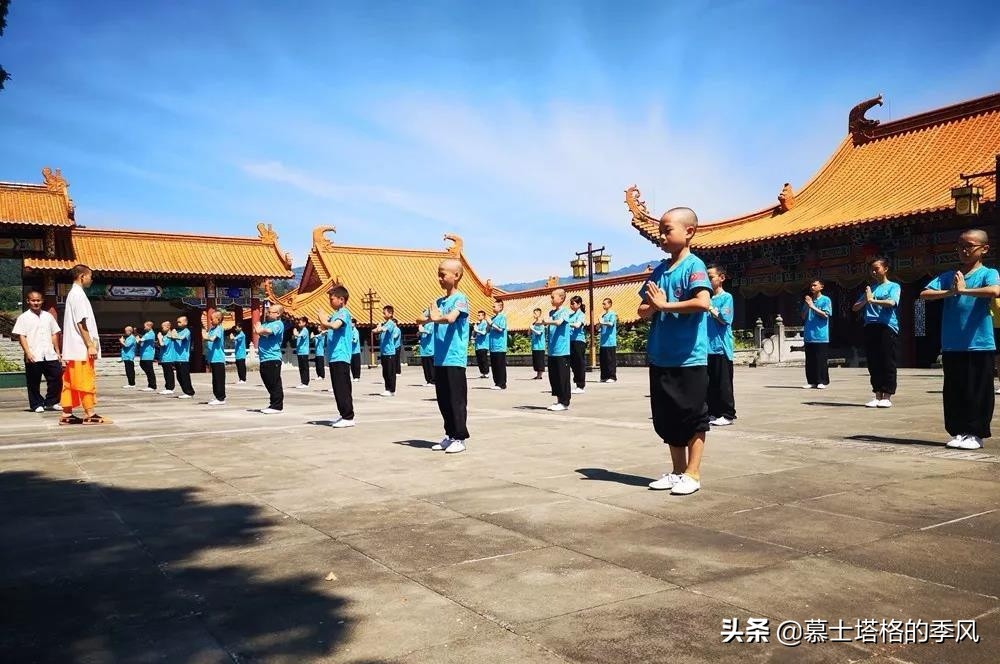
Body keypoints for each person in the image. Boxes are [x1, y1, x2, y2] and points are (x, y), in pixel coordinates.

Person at [640, 208, 712, 496]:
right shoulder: (660, 270)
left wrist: (665, 305)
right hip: (661, 354)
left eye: (667, 230)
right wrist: (652, 306)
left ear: (689, 232)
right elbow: (643, 309)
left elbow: (703, 302)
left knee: (692, 415)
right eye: (660, 231)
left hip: (688, 356)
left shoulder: (694, 265)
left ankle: (693, 473)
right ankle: (677, 471)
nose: (661, 236)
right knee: (667, 416)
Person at [920, 229, 1000, 450]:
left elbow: (994, 291)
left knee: (978, 390)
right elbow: (924, 294)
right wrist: (951, 292)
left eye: (969, 246)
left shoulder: (988, 273)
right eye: (960, 246)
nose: (964, 251)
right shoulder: (949, 276)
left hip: (979, 343)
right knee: (954, 390)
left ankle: (976, 433)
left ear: (984, 249)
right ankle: (959, 431)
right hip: (952, 343)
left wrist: (964, 291)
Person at [422, 258, 470, 454]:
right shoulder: (439, 301)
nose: (439, 278)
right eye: (438, 275)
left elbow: (451, 318)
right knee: (443, 399)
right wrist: (429, 315)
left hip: (454, 357)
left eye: (443, 274)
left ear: (456, 276)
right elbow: (421, 318)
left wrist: (435, 317)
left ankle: (460, 437)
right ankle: (449, 435)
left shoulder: (460, 299)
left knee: (456, 399)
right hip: (440, 357)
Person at [59, 264, 109, 425]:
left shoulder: (73, 294)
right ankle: (90, 413)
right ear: (82, 276)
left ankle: (67, 414)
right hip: (81, 347)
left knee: (70, 381)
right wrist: (90, 344)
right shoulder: (78, 295)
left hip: (73, 348)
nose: (91, 280)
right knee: (85, 379)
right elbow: (81, 322)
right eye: (89, 276)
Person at [853, 257, 901, 408]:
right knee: (873, 362)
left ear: (885, 269)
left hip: (887, 326)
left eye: (876, 269)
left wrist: (872, 300)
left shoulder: (893, 286)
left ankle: (887, 395)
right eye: (871, 270)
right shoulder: (871, 288)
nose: (873, 272)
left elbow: (892, 302)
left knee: (887, 361)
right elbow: (855, 307)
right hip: (870, 326)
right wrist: (866, 299)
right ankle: (877, 394)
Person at [12, 290, 62, 412]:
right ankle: (36, 404)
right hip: (34, 354)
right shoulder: (23, 318)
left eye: (38, 300)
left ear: (42, 301)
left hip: (49, 353)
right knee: (33, 382)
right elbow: (21, 336)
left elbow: (54, 333)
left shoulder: (48, 316)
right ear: (28, 301)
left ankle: (51, 402)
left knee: (56, 378)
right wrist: (28, 352)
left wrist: (57, 351)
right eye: (33, 300)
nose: (36, 303)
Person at [706, 265, 736, 426]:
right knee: (710, 383)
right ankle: (713, 412)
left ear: (721, 278)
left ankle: (727, 414)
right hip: (707, 347)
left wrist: (710, 307)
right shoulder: (707, 299)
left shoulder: (726, 297)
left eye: (710, 277)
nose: (708, 280)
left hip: (721, 347)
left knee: (723, 383)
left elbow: (725, 319)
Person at [323, 285, 355, 428]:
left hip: (341, 355)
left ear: (341, 299)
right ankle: (343, 414)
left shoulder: (344, 313)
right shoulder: (336, 313)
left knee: (342, 387)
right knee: (337, 388)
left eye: (332, 299)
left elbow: (335, 326)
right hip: (334, 356)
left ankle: (348, 416)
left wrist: (324, 321)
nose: (330, 301)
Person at [254, 303, 286, 414]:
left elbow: (265, 331)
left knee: (274, 382)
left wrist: (259, 329)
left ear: (278, 314)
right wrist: (259, 329)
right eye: (267, 311)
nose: (267, 313)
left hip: (273, 357)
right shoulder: (267, 324)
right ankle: (273, 403)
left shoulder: (278, 324)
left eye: (270, 312)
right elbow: (257, 330)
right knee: (267, 380)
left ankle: (277, 406)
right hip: (264, 358)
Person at [543, 289, 572, 411]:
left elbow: (559, 322)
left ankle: (564, 402)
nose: (551, 299)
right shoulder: (551, 312)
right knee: (554, 377)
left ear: (561, 298)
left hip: (562, 350)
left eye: (553, 297)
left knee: (562, 377)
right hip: (552, 349)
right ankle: (559, 401)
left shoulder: (565, 311)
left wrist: (547, 321)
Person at [801, 280, 832, 389]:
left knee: (820, 360)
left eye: (815, 285)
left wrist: (812, 306)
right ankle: (811, 381)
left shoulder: (825, 299)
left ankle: (821, 381)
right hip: (809, 334)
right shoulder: (809, 300)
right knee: (810, 360)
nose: (812, 287)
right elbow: (803, 316)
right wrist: (807, 305)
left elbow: (826, 315)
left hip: (820, 335)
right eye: (811, 285)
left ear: (821, 287)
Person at [374, 305, 400, 396]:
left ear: (390, 313)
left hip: (389, 352)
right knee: (385, 372)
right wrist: (377, 329)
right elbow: (376, 331)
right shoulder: (385, 323)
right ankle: (387, 388)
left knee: (390, 372)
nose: (383, 314)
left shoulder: (390, 323)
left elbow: (381, 329)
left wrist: (378, 328)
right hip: (384, 351)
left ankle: (391, 390)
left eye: (384, 313)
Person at [170, 315, 195, 399]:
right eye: (177, 322)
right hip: (176, 357)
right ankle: (185, 391)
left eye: (180, 322)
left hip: (183, 358)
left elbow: (180, 338)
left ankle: (189, 392)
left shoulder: (186, 331)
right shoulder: (177, 331)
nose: (178, 323)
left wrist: (174, 334)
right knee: (179, 376)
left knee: (184, 376)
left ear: (185, 322)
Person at [205, 311, 227, 406]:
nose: (210, 321)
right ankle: (217, 396)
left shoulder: (219, 328)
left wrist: (205, 336)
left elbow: (212, 338)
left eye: (212, 319)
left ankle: (221, 398)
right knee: (215, 379)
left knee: (219, 379)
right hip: (212, 358)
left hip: (218, 358)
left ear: (218, 319)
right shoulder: (212, 329)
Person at [568, 295, 587, 394]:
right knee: (573, 364)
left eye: (573, 303)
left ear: (579, 304)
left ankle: (580, 385)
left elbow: (577, 325)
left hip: (578, 341)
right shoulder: (571, 315)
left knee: (579, 363)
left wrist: (567, 323)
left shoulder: (581, 315)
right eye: (570, 303)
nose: (571, 305)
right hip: (570, 340)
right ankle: (577, 383)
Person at [488, 301, 508, 390]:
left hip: (500, 346)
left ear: (500, 307)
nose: (492, 308)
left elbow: (500, 329)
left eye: (494, 306)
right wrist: (488, 324)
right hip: (493, 346)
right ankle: (496, 383)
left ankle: (502, 383)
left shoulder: (502, 317)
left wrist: (491, 324)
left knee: (500, 366)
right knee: (494, 366)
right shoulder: (492, 318)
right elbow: (488, 330)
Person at [599, 298, 618, 383]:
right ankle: (604, 376)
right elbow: (600, 327)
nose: (603, 305)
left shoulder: (612, 314)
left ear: (610, 304)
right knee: (603, 361)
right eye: (603, 304)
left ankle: (612, 377)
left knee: (610, 360)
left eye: (605, 304)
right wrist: (599, 324)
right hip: (603, 341)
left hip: (610, 341)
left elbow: (611, 323)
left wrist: (602, 322)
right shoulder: (603, 315)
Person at [157, 321, 176, 395]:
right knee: (166, 373)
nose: (161, 329)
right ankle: (167, 387)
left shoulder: (169, 335)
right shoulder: (165, 335)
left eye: (163, 327)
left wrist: (159, 337)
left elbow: (162, 344)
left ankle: (170, 388)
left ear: (168, 327)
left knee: (169, 373)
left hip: (168, 357)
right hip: (164, 357)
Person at [137, 321, 157, 391]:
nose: (144, 328)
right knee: (143, 365)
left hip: (148, 355)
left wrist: (137, 339)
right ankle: (151, 384)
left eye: (145, 326)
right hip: (144, 354)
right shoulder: (146, 334)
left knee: (149, 370)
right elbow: (141, 343)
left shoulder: (151, 334)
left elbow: (140, 341)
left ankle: (152, 386)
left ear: (149, 326)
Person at [293, 317, 311, 389]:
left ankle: (305, 382)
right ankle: (303, 381)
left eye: (300, 322)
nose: (299, 324)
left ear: (304, 323)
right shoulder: (301, 330)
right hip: (300, 352)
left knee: (304, 368)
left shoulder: (305, 330)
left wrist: (295, 333)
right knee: (301, 368)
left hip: (304, 352)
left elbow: (298, 335)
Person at [473, 311, 490, 379]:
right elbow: (474, 335)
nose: (478, 316)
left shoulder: (485, 323)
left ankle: (486, 373)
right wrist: (474, 329)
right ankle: (483, 373)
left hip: (483, 345)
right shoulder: (478, 324)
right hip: (478, 346)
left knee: (484, 360)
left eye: (479, 315)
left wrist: (476, 330)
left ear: (483, 316)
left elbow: (484, 333)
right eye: (478, 315)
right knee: (479, 360)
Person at [418, 318, 435, 386]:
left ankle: (433, 381)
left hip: (430, 349)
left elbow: (428, 332)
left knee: (431, 367)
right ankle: (428, 381)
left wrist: (420, 325)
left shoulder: (431, 324)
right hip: (423, 350)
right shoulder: (425, 325)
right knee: (426, 367)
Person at [530, 308, 546, 380]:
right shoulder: (534, 323)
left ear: (539, 314)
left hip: (540, 346)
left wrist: (532, 329)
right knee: (536, 361)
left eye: (535, 313)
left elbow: (539, 333)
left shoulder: (541, 323)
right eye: (534, 313)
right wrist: (530, 329)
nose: (534, 314)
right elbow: (530, 333)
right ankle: (538, 375)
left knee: (540, 361)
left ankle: (540, 375)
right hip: (534, 345)